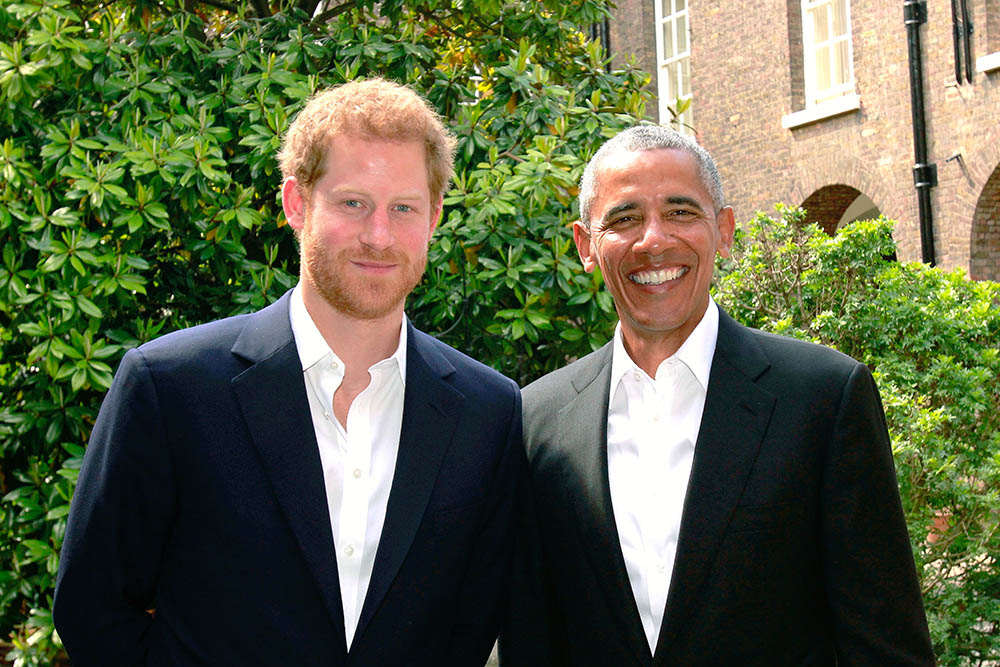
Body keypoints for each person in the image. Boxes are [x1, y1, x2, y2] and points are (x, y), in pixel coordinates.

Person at [53, 78, 522, 666]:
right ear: (297, 204)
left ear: (432, 220)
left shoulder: (488, 411)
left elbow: (473, 621)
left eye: (403, 208)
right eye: (353, 203)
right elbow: (93, 608)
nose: (379, 235)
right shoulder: (170, 386)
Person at [500, 125, 935, 665]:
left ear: (724, 231)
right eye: (624, 218)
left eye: (681, 212)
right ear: (587, 246)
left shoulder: (822, 398)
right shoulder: (536, 420)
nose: (653, 239)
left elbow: (886, 646)